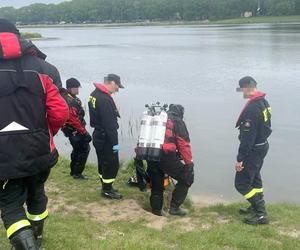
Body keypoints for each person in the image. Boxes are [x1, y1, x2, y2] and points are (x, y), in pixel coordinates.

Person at [0, 19, 69, 249]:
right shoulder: (44, 68)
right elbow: (60, 111)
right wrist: (47, 133)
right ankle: (36, 237)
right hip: (40, 148)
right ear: (18, 37)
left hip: (4, 156)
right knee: (37, 191)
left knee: (10, 203)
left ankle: (27, 244)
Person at [234, 76, 272, 225]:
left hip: (253, 149)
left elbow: (247, 138)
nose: (242, 93)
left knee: (241, 183)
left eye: (241, 89)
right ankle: (255, 207)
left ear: (247, 87)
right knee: (254, 177)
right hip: (262, 146)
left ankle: (261, 214)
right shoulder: (263, 102)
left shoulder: (252, 108)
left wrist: (240, 158)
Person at [148, 104, 194, 216]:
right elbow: (184, 144)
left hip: (151, 154)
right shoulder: (178, 122)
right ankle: (174, 208)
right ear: (181, 113)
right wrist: (189, 163)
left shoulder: (158, 118)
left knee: (157, 184)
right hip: (166, 156)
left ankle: (156, 211)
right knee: (187, 178)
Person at [88, 74, 124, 199]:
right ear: (112, 82)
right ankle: (107, 190)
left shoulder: (94, 94)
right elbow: (109, 125)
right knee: (111, 163)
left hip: (98, 135)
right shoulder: (104, 99)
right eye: (117, 86)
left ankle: (105, 186)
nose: (118, 90)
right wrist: (115, 143)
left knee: (102, 162)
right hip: (106, 137)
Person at [61, 78, 91, 180]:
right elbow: (73, 119)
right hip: (75, 131)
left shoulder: (69, 98)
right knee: (84, 149)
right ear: (70, 88)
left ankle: (73, 171)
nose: (78, 90)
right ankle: (77, 174)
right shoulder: (70, 101)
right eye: (76, 88)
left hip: (72, 131)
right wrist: (84, 132)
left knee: (77, 150)